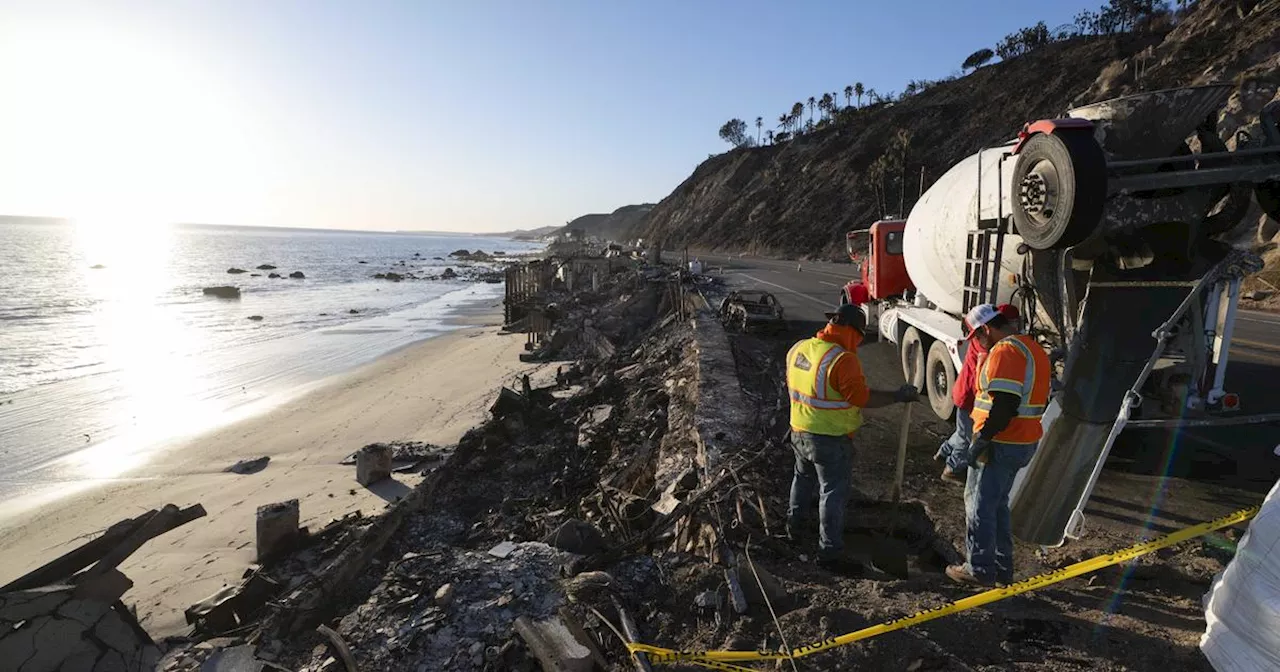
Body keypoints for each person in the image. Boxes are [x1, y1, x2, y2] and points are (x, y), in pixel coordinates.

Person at [786, 304, 918, 572]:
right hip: (830, 439)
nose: (859, 342)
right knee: (832, 493)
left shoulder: (800, 348)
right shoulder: (842, 360)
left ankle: (794, 528)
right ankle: (829, 552)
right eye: (859, 336)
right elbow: (861, 398)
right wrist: (897, 395)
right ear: (851, 332)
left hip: (798, 431)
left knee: (802, 480)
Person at [942, 304, 1051, 587]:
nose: (977, 344)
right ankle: (1002, 569)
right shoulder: (1032, 349)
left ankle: (978, 568)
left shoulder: (1005, 351)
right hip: (1022, 441)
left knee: (979, 507)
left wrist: (983, 440)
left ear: (986, 329)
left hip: (1002, 443)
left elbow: (1005, 404)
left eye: (977, 338)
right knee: (998, 505)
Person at [935, 303, 1021, 479]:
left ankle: (944, 452)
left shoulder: (987, 340)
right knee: (966, 437)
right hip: (969, 397)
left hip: (966, 393)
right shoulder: (987, 345)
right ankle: (953, 469)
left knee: (962, 431)